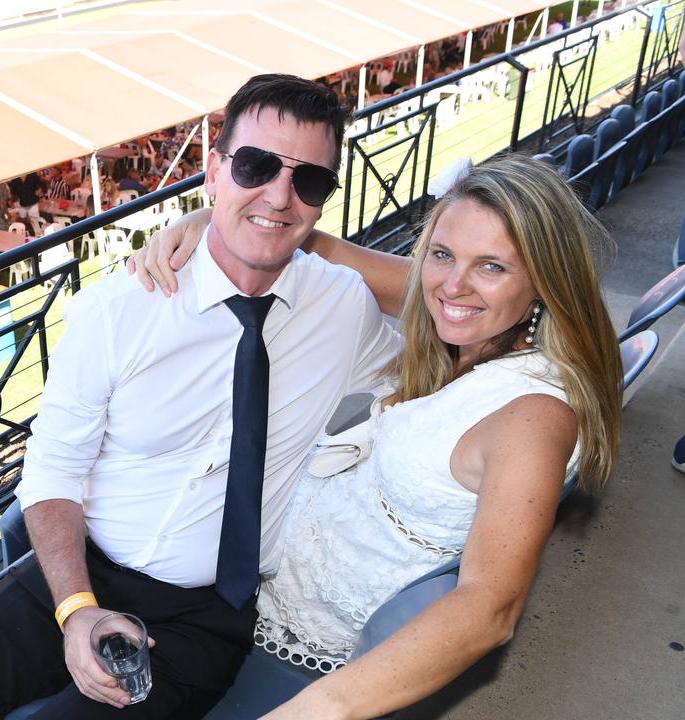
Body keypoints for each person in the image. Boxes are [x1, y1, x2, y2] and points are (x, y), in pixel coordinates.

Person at [0, 73, 402, 719]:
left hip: (205, 618)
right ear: (214, 171)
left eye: (309, 181)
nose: (280, 194)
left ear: (324, 201)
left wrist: (269, 222)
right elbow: (54, 470)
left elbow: (450, 312)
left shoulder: (342, 306)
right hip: (74, 578)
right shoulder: (117, 310)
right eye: (256, 166)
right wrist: (76, 609)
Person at [128, 155, 622, 718]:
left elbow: (490, 605)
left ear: (544, 279)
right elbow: (325, 249)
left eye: (492, 266)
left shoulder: (533, 417)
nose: (452, 285)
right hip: (253, 587)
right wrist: (203, 221)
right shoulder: (463, 311)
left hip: (295, 656)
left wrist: (319, 709)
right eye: (441, 254)